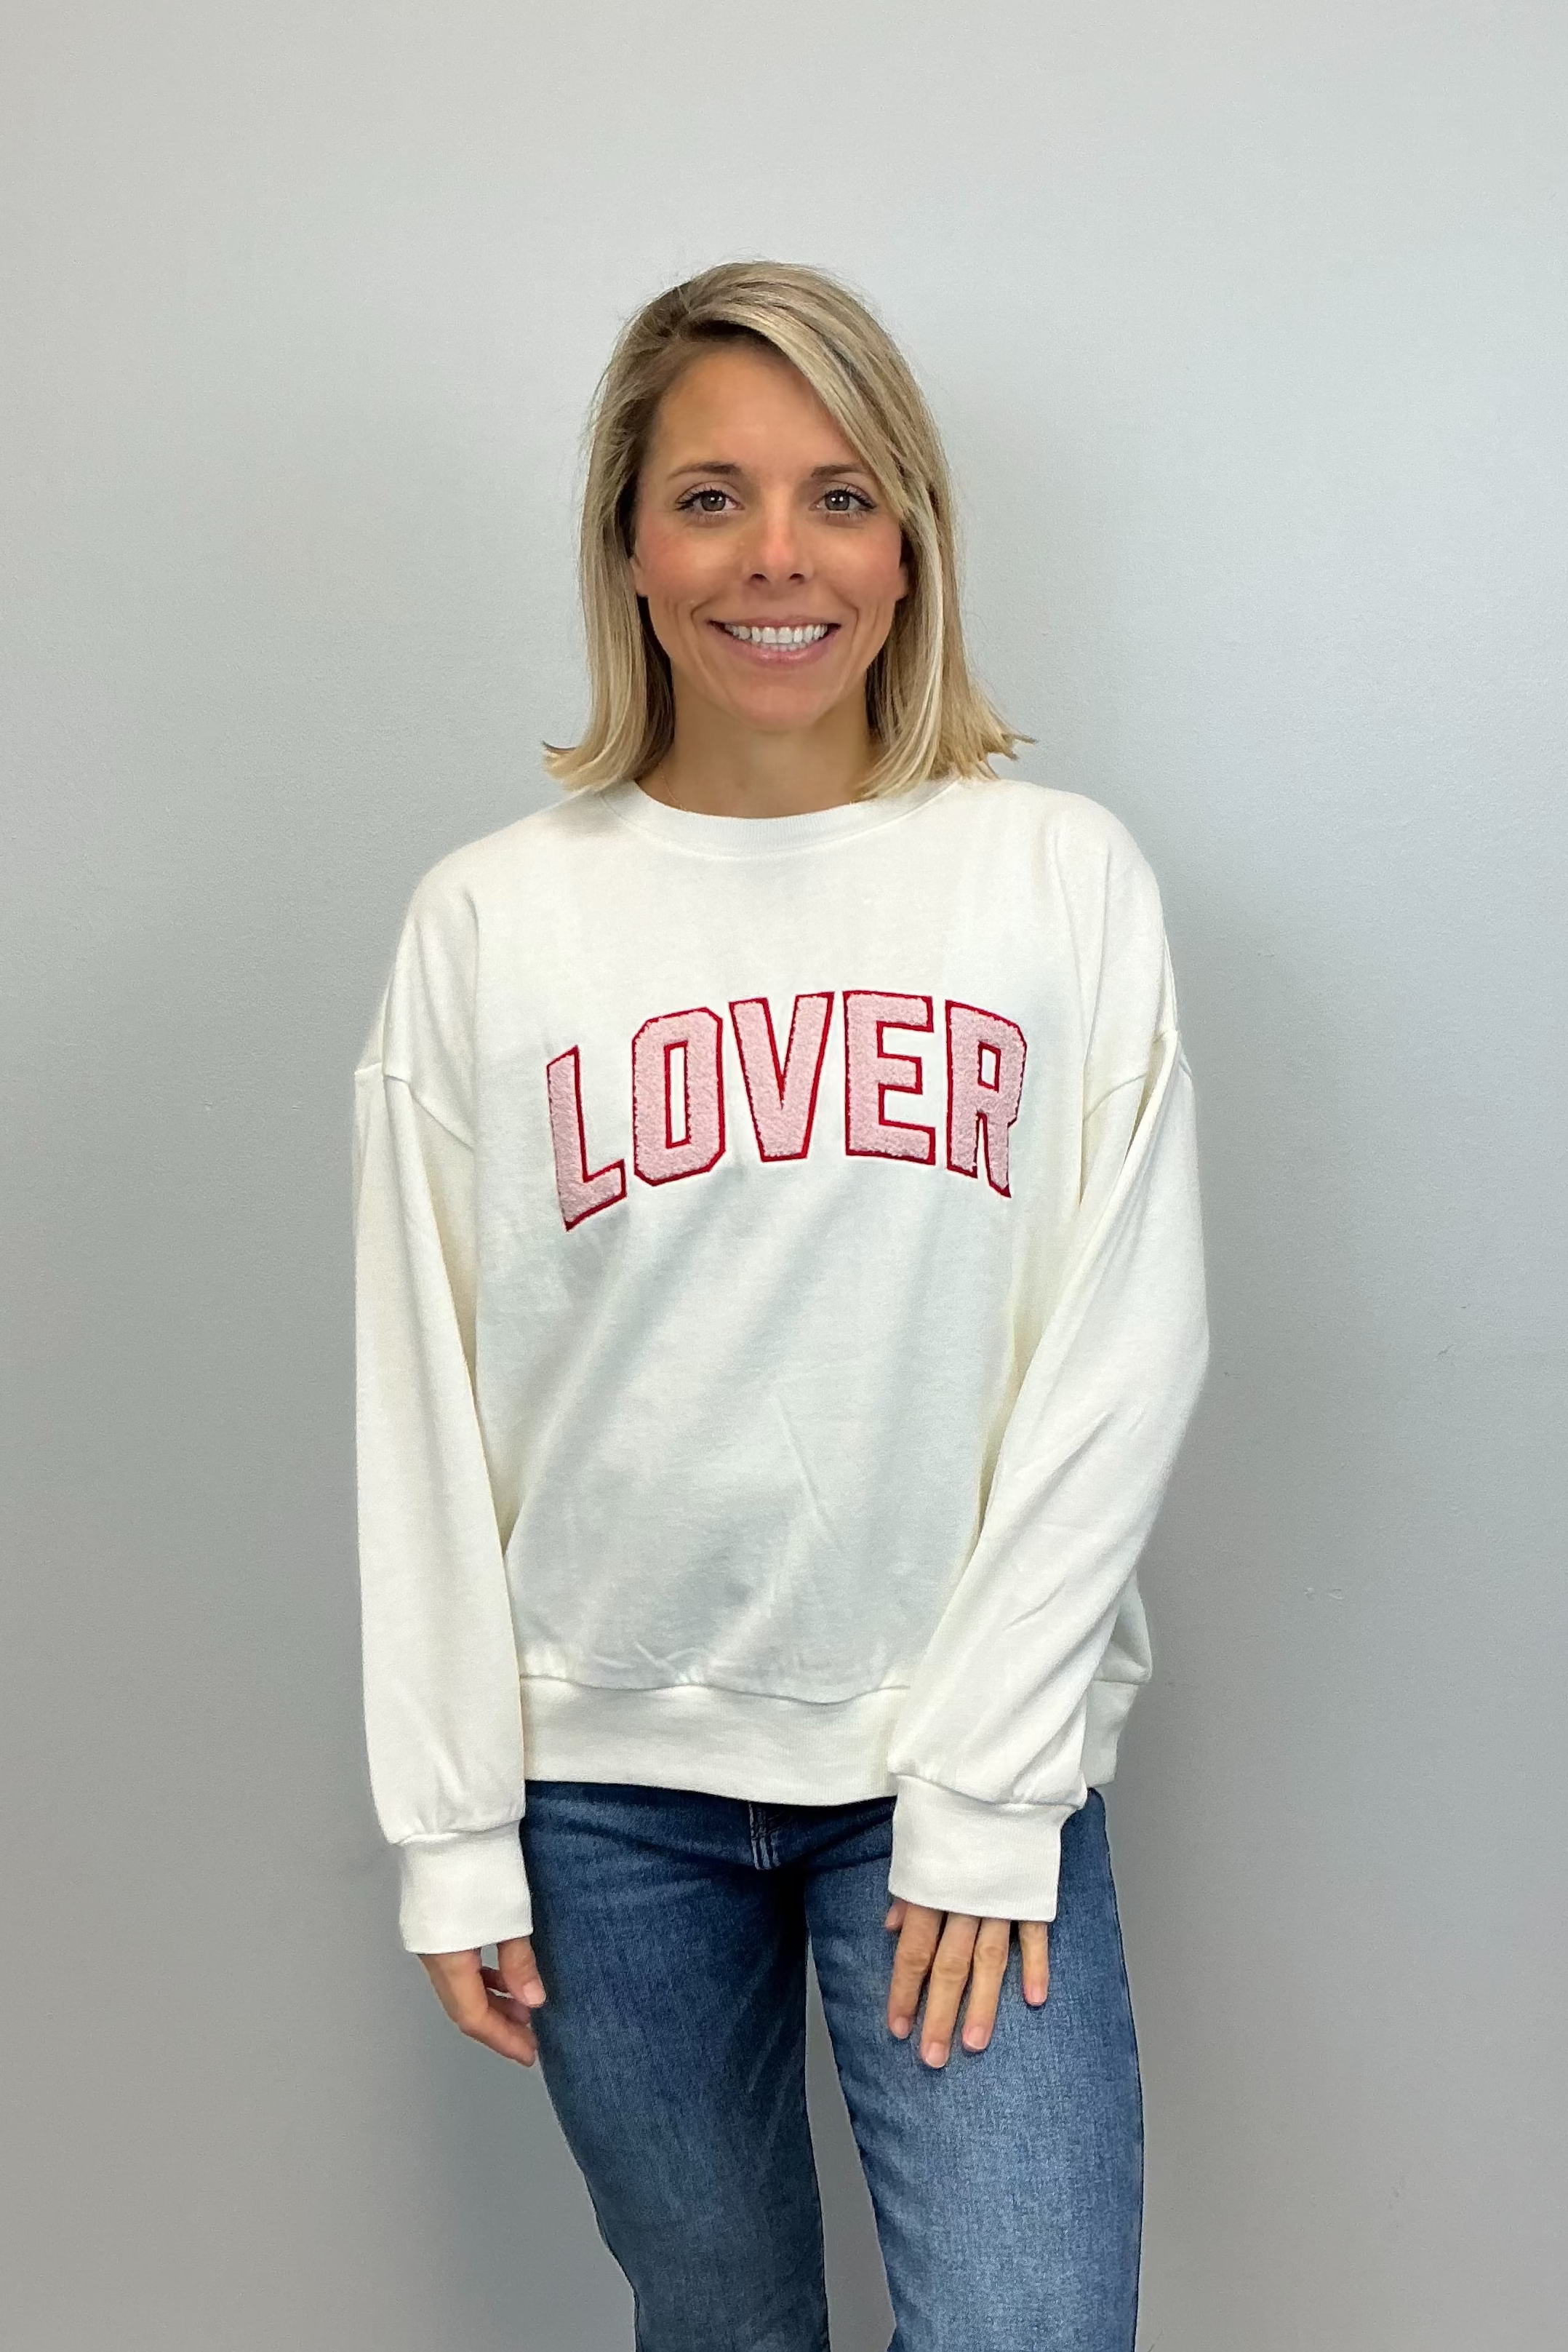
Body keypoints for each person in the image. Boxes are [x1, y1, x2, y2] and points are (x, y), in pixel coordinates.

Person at [351, 259, 1209, 2352]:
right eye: (709, 496)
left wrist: (989, 1790)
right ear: (629, 551)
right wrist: (454, 1826)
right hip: (603, 1794)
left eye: (838, 495)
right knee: (722, 2321)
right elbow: (419, 1397)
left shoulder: (1049, 883)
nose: (776, 559)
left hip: (943, 1750)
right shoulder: (492, 922)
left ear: (908, 547)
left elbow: (1125, 1338)